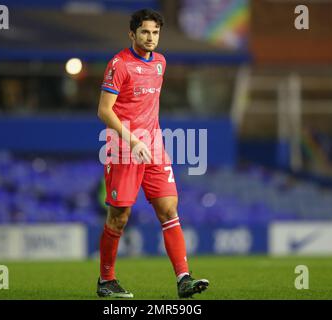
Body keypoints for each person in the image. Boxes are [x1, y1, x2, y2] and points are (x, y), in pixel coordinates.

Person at [96, 8, 209, 299]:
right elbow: (104, 111)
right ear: (132, 34)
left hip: (154, 148)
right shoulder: (118, 64)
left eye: (155, 32)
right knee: (119, 216)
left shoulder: (160, 62)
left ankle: (184, 279)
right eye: (145, 32)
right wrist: (133, 141)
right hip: (124, 148)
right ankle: (106, 281)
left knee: (169, 209)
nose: (151, 37)